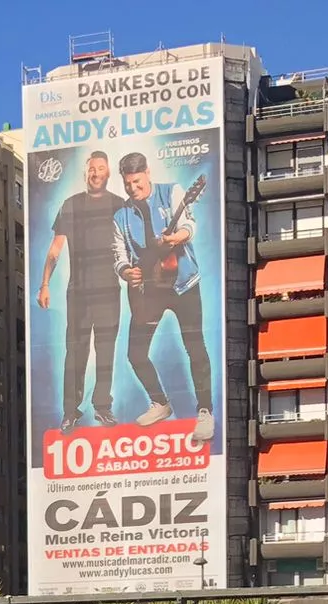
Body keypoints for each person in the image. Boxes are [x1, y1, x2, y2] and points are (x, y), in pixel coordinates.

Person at [109, 151, 214, 443]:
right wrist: (127, 273)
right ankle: (160, 402)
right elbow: (118, 255)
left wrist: (175, 238)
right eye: (128, 183)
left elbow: (189, 226)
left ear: (148, 173)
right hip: (149, 292)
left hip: (184, 284)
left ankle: (205, 410)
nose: (132, 188)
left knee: (195, 346)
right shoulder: (121, 216)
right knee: (135, 353)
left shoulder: (173, 192)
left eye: (137, 181)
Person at [40, 148, 124, 433]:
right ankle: (69, 412)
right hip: (78, 293)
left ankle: (102, 406)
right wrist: (44, 284)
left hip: (109, 291)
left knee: (106, 352)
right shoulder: (71, 204)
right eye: (91, 168)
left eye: (100, 167)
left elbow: (133, 247)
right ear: (84, 172)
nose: (95, 173)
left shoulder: (120, 205)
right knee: (74, 353)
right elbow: (55, 249)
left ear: (108, 171)